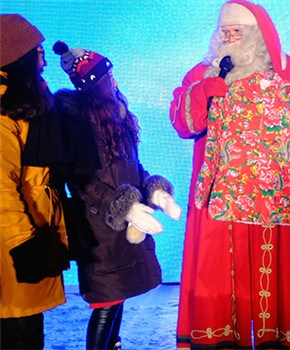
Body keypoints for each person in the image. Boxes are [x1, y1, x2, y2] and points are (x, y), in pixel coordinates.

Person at [169, 1, 290, 348]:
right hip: (221, 190)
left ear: (258, 34)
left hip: (279, 193)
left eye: (239, 31)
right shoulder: (203, 73)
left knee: (283, 272)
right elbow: (181, 122)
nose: (231, 38)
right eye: (225, 32)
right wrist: (201, 95)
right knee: (218, 271)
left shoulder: (288, 70)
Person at [52, 40, 182, 350]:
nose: (116, 81)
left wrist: (155, 190)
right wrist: (122, 207)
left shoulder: (117, 117)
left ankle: (113, 345)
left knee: (118, 295)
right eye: (110, 76)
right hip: (100, 227)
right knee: (106, 300)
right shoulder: (78, 123)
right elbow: (81, 181)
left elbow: (134, 167)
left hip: (124, 223)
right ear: (97, 84)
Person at [0, 14, 69, 349]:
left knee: (29, 329)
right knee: (17, 331)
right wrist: (23, 244)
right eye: (37, 51)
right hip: (15, 244)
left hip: (37, 231)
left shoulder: (27, 102)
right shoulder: (3, 110)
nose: (44, 58)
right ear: (19, 57)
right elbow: (0, 187)